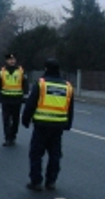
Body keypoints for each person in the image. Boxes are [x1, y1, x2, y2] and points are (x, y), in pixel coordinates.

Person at [21, 58, 74, 191]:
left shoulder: (41, 84)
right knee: (55, 155)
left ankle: (36, 181)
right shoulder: (67, 86)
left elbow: (31, 104)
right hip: (58, 127)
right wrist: (68, 124)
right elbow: (70, 107)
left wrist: (25, 120)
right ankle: (51, 181)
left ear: (46, 69)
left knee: (36, 154)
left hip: (41, 125)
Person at [0, 53, 28, 146]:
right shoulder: (2, 71)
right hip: (6, 99)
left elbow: (25, 84)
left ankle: (13, 135)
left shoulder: (21, 71)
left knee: (16, 119)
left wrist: (25, 95)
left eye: (13, 59)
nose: (12, 61)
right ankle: (8, 138)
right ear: (6, 61)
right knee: (6, 119)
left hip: (17, 99)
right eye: (10, 59)